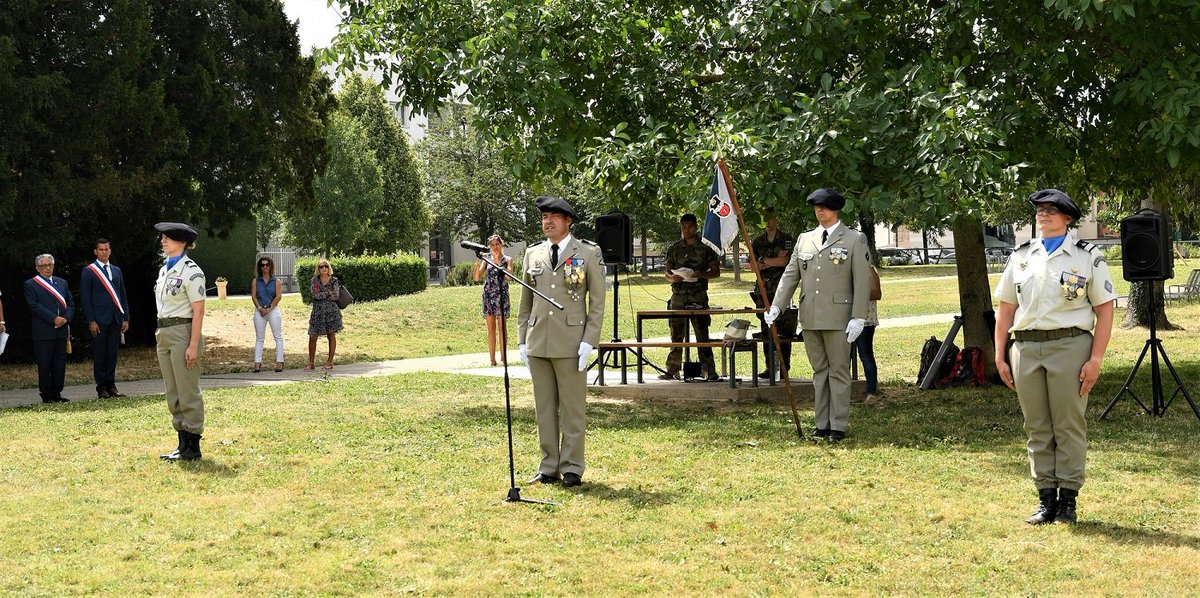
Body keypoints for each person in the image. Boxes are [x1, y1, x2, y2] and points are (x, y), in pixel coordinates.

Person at [993, 189, 1115, 525]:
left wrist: (1096, 359)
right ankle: (1045, 498)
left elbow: (1105, 310)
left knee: (1067, 425)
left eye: (1051, 210)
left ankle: (1068, 501)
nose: (1043, 215)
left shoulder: (1086, 257)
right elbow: (1006, 309)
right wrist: (1000, 355)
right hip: (1026, 348)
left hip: (1070, 345)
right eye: (1039, 210)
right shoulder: (1021, 256)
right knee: (1036, 425)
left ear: (1068, 218)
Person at [766, 188, 870, 442]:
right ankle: (822, 423)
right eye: (817, 207)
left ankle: (838, 425)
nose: (820, 210)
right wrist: (777, 306)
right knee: (819, 371)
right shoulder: (805, 239)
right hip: (810, 316)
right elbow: (791, 275)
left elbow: (862, 280)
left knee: (839, 371)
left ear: (836, 209)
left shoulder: (854, 239)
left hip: (839, 317)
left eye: (825, 206)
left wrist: (859, 316)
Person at [517, 195, 606, 488]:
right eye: (544, 217)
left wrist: (589, 340)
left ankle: (572, 467)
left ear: (568, 221)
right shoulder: (533, 254)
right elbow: (526, 302)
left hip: (571, 342)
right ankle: (548, 466)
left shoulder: (587, 253)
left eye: (554, 217)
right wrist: (522, 340)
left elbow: (597, 302)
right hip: (538, 341)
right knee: (544, 408)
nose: (548, 222)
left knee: (572, 408)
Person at [154, 222, 207, 461]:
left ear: (182, 242)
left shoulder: (191, 271)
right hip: (164, 332)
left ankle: (193, 446)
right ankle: (181, 443)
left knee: (187, 389)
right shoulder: (164, 270)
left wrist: (193, 345)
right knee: (173, 390)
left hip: (183, 332)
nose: (163, 241)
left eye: (168, 238)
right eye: (163, 238)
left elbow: (199, 311)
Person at [662, 213, 721, 380]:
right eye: (683, 228)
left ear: (696, 227)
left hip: (698, 295)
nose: (686, 230)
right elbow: (667, 272)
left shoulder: (705, 248)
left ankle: (708, 370)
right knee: (676, 334)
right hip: (678, 296)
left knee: (702, 334)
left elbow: (716, 272)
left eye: (689, 227)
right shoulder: (674, 248)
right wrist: (672, 277)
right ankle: (672, 369)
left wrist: (702, 274)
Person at [750, 207, 798, 379]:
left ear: (777, 220)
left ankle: (783, 368)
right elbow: (753, 265)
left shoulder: (786, 240)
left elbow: (786, 262)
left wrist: (763, 261)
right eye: (765, 218)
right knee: (766, 329)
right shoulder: (758, 242)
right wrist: (772, 261)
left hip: (781, 290)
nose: (768, 222)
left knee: (783, 330)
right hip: (764, 290)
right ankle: (770, 367)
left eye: (771, 218)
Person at [80, 238, 131, 398]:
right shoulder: (89, 271)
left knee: (112, 354)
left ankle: (111, 386)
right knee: (100, 354)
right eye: (101, 249)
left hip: (116, 318)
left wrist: (126, 317)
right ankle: (101, 388)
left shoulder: (116, 270)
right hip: (99, 320)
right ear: (95, 251)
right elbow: (85, 298)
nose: (104, 252)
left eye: (106, 249)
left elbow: (122, 295)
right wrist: (91, 320)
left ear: (110, 251)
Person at [24, 254, 74, 403]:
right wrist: (53, 318)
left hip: (61, 330)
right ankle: (46, 395)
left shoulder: (62, 282)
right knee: (45, 364)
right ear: (37, 268)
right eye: (44, 265)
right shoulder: (31, 284)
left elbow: (70, 302)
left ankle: (57, 393)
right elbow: (34, 305)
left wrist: (66, 318)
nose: (47, 268)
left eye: (50, 265)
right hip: (44, 331)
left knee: (59, 364)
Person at [474, 234, 513, 366]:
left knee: (502, 327)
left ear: (501, 244)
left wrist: (497, 262)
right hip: (489, 295)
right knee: (491, 328)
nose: (495, 247)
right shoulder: (487, 260)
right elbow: (476, 278)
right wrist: (478, 263)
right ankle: (492, 359)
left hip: (501, 295)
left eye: (497, 244)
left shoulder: (507, 259)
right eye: (492, 245)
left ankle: (503, 357)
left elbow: (508, 277)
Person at [307, 258, 343, 370]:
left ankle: (329, 361)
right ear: (318, 269)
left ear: (329, 268)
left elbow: (336, 296)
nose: (324, 268)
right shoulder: (314, 281)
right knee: (313, 336)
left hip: (331, 312)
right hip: (317, 312)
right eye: (321, 267)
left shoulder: (334, 281)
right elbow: (315, 295)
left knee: (331, 335)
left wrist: (322, 294)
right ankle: (311, 362)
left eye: (326, 266)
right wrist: (328, 292)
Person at [251, 256, 285, 373]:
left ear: (271, 266)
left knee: (278, 336)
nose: (265, 267)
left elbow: (278, 296)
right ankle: (257, 363)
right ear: (259, 267)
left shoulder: (276, 281)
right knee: (259, 337)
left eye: (267, 265)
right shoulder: (256, 281)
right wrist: (259, 308)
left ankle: (279, 362)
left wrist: (270, 308)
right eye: (262, 265)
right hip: (259, 310)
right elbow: (254, 296)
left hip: (273, 310)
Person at [856, 265, 881, 404]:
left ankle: (871, 392)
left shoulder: (868, 269)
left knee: (866, 355)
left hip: (865, 320)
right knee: (842, 357)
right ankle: (841, 392)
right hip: (844, 320)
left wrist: (855, 293)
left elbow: (877, 293)